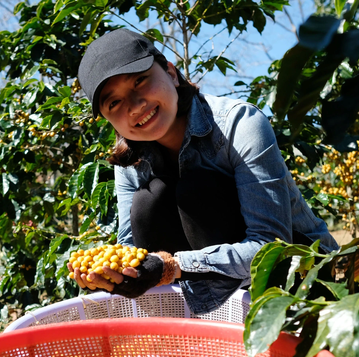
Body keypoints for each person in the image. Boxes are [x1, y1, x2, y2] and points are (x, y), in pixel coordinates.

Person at [70, 29, 338, 315]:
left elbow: (271, 246)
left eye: (140, 81)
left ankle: (236, 318)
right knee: (151, 198)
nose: (135, 106)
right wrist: (115, 274)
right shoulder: (132, 157)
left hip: (302, 280)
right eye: (115, 103)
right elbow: (130, 247)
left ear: (171, 73)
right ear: (109, 120)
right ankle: (190, 327)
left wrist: (171, 267)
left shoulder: (239, 123)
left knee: (196, 190)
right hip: (209, 287)